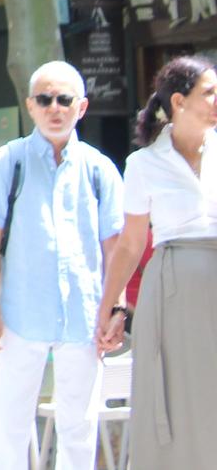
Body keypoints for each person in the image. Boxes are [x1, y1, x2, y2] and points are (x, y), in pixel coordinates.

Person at [0, 60, 123, 470]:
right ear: (30, 106)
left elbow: (115, 247)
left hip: (85, 316)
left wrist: (117, 307)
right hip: (19, 315)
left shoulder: (100, 169)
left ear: (82, 107)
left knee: (80, 426)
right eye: (45, 99)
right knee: (9, 425)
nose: (55, 107)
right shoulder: (6, 162)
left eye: (64, 99)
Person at [96, 54, 216, 470]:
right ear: (179, 102)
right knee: (180, 398)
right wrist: (111, 306)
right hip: (173, 290)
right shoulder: (143, 163)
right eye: (209, 93)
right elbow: (130, 244)